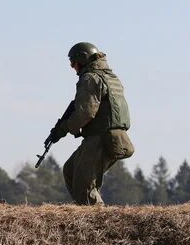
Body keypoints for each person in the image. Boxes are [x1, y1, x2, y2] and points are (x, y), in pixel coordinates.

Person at [47, 42, 134, 205]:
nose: (74, 68)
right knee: (71, 170)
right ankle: (85, 210)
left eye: (74, 64)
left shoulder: (90, 78)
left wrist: (63, 128)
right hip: (112, 136)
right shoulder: (109, 77)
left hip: (102, 137)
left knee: (84, 184)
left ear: (82, 60)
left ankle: (95, 219)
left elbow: (85, 112)